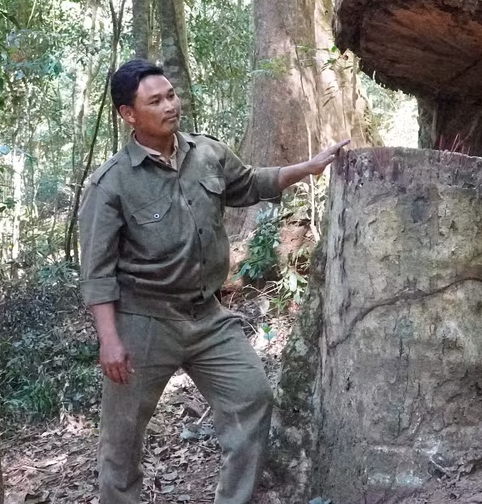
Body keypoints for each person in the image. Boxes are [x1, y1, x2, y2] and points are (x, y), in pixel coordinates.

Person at [79, 59, 349, 504]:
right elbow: (97, 272)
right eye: (156, 101)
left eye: (171, 96)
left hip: (208, 317)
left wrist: (309, 166)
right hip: (144, 321)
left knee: (253, 399)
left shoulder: (207, 153)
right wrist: (109, 339)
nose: (171, 106)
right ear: (128, 114)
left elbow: (252, 183)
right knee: (121, 443)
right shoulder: (111, 184)